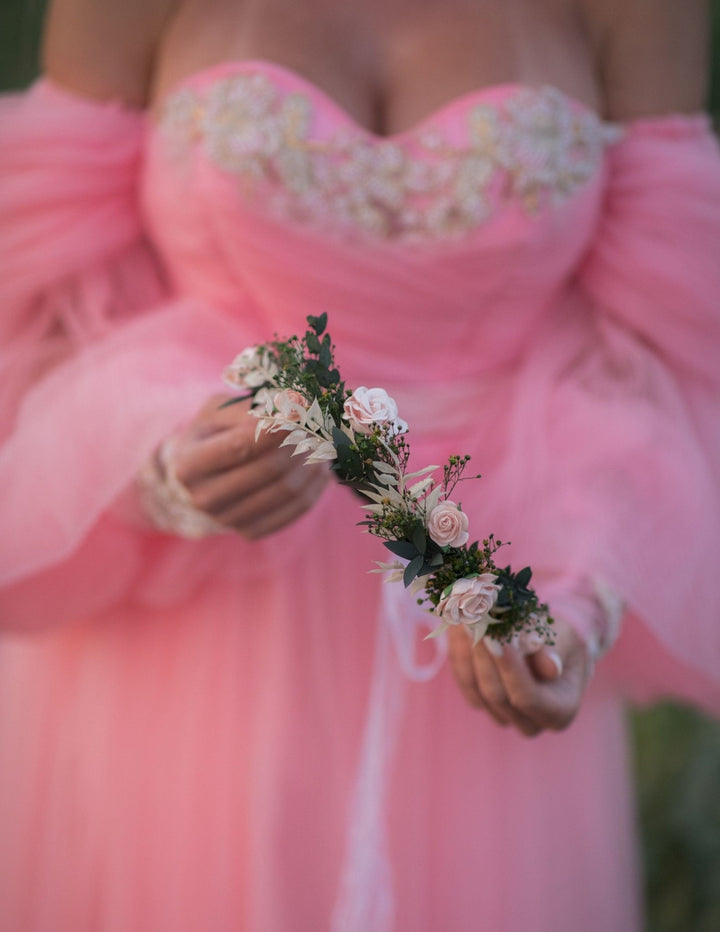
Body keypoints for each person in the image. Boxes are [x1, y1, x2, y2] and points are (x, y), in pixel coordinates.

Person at [1, 0, 719, 929]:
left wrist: (579, 587)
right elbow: (44, 311)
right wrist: (157, 464)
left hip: (481, 620)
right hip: (184, 642)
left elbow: (652, 352)